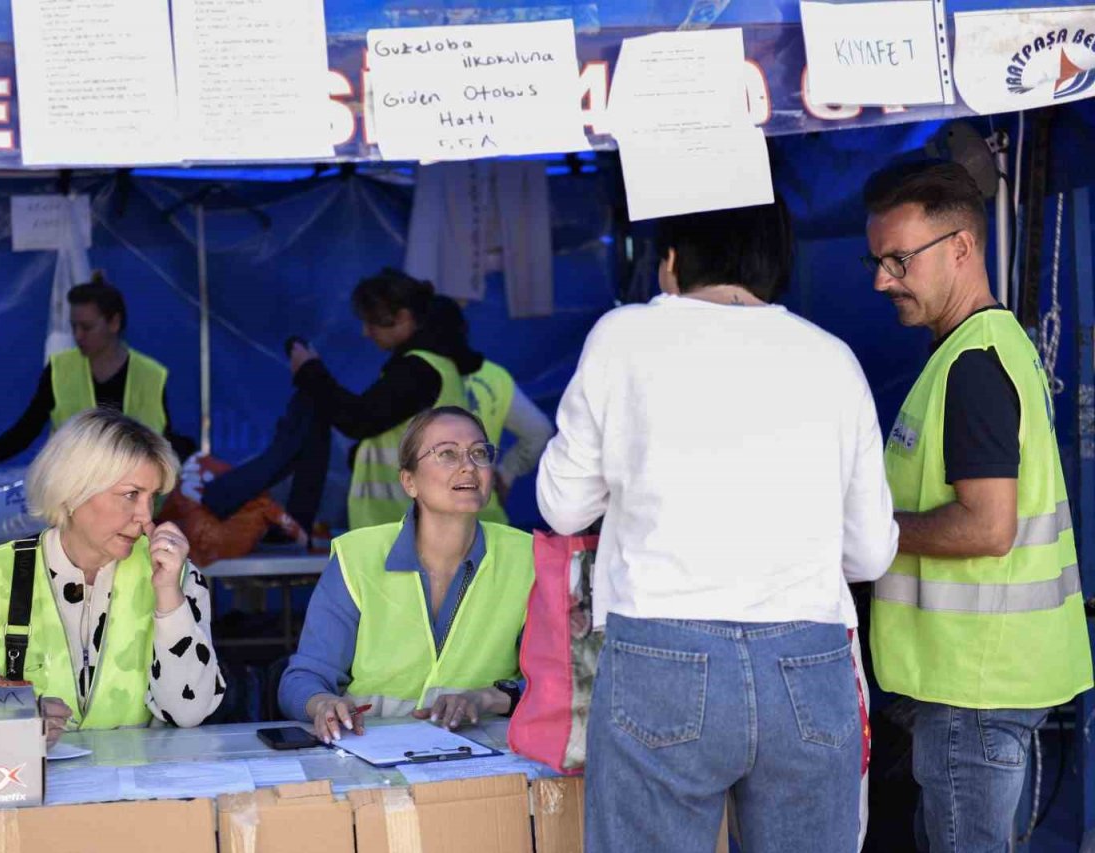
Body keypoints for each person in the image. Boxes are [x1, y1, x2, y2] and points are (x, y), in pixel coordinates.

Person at [537, 196, 898, 853]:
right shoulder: (833, 359)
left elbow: (563, 507)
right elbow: (871, 553)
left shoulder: (624, 338)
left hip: (661, 654)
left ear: (671, 262)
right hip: (808, 661)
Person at [863, 161, 1092, 852]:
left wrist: (872, 532)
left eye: (900, 259)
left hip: (974, 687)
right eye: (877, 261)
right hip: (977, 680)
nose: (882, 280)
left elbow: (989, 525)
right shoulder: (979, 350)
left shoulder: (974, 365)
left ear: (961, 246)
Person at [0, 409, 224, 744]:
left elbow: (191, 712)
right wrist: (16, 717)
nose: (146, 517)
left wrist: (170, 599)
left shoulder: (177, 575)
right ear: (72, 492)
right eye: (131, 494)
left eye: (152, 498)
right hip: (25, 785)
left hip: (144, 786)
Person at [277, 407, 534, 742]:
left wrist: (487, 697)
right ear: (409, 481)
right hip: (370, 757)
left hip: (489, 757)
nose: (468, 465)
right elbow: (302, 678)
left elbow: (565, 679)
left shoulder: (528, 557)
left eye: (479, 453)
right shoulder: (358, 556)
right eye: (447, 454)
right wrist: (323, 704)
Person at [0, 273, 193, 492]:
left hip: (132, 497)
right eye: (74, 327)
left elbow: (165, 442)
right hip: (72, 496)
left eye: (87, 327)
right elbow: (28, 426)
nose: (78, 335)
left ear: (114, 323)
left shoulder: (151, 376)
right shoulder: (60, 370)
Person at [286, 269, 467, 529]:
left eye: (372, 322)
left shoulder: (419, 369)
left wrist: (310, 371)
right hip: (415, 524)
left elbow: (359, 419)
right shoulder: (428, 364)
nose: (365, 332)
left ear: (403, 317)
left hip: (415, 528)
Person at [426, 296, 554, 525]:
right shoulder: (494, 377)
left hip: (430, 521)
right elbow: (539, 432)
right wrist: (506, 474)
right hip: (482, 517)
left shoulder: (410, 377)